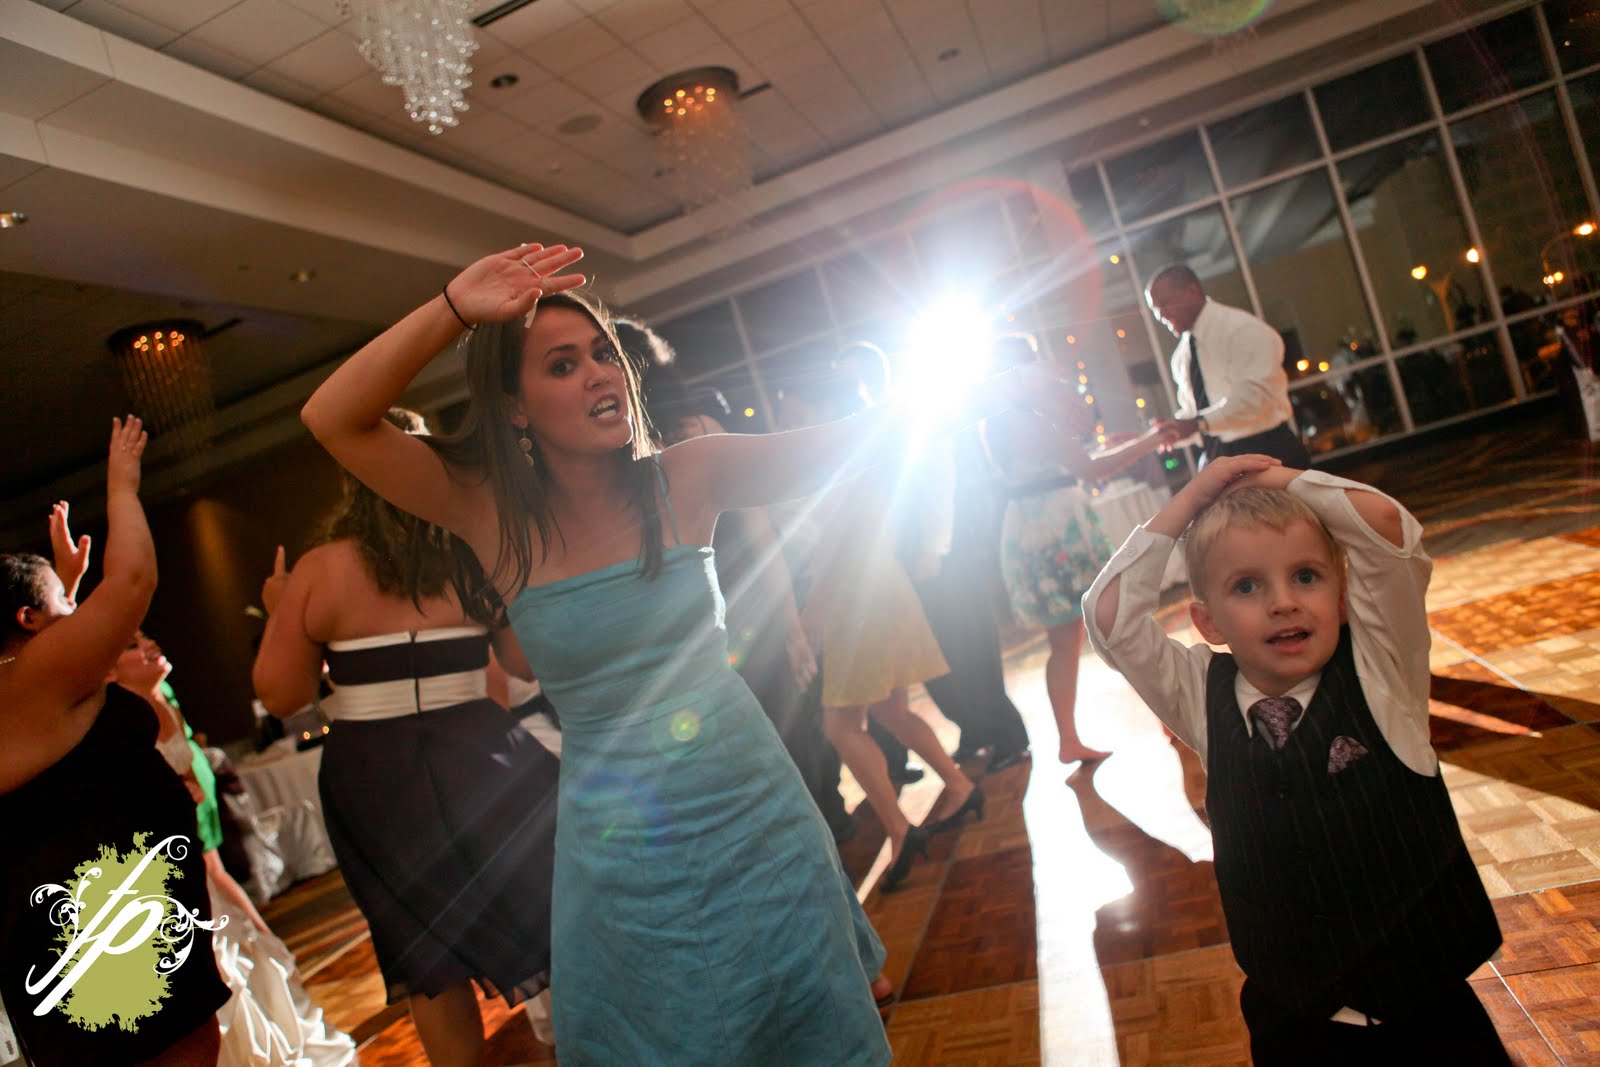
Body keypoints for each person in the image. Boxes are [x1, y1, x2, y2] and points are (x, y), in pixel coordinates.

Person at [297, 242, 1069, 1062]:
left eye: (602, 353)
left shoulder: (687, 474)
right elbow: (332, 418)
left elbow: (866, 437)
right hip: (620, 848)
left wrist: (981, 382)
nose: (598, 374)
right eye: (562, 365)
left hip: (754, 811)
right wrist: (455, 307)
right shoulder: (493, 515)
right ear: (514, 407)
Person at [1082, 455, 1506, 1065]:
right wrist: (1191, 499)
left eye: (1306, 576)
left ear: (1343, 596)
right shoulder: (1199, 696)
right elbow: (1109, 617)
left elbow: (1384, 524)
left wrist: (1276, 481)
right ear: (1207, 621)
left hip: (1429, 1013)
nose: (1283, 602)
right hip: (1293, 1020)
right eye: (1246, 586)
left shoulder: (1383, 669)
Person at [252, 408, 559, 1067]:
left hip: (375, 774)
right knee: (550, 906)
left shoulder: (319, 570)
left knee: (428, 956)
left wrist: (286, 612)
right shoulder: (470, 551)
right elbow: (525, 664)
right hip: (479, 753)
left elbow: (281, 695)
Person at [0, 418, 232, 1067]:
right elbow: (131, 583)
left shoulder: (30, 685)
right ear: (27, 620)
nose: (76, 615)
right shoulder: (32, 680)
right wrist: (123, 487)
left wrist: (64, 585)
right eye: (61, 602)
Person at [807, 342, 983, 891]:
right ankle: (958, 786)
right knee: (889, 711)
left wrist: (812, 612)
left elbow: (840, 544)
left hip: (860, 596)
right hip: (879, 588)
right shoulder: (858, 452)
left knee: (841, 726)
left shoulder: (848, 459)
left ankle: (901, 830)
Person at [983, 333, 1168, 764]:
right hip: (1059, 527)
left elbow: (1053, 465)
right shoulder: (1032, 418)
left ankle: (1069, 739)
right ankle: (1168, 716)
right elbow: (1090, 470)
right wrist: (1150, 440)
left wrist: (1113, 444)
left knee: (1064, 641)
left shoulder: (994, 421)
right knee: (1117, 619)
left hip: (1028, 527)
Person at [1145, 264, 1311, 468]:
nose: (1161, 315)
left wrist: (1198, 424)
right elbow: (1194, 412)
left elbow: (1256, 400)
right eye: (1155, 309)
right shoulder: (1181, 355)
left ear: (1192, 291)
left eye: (1166, 303)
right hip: (1218, 457)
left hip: (1268, 451)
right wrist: (1162, 432)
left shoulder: (1242, 330)